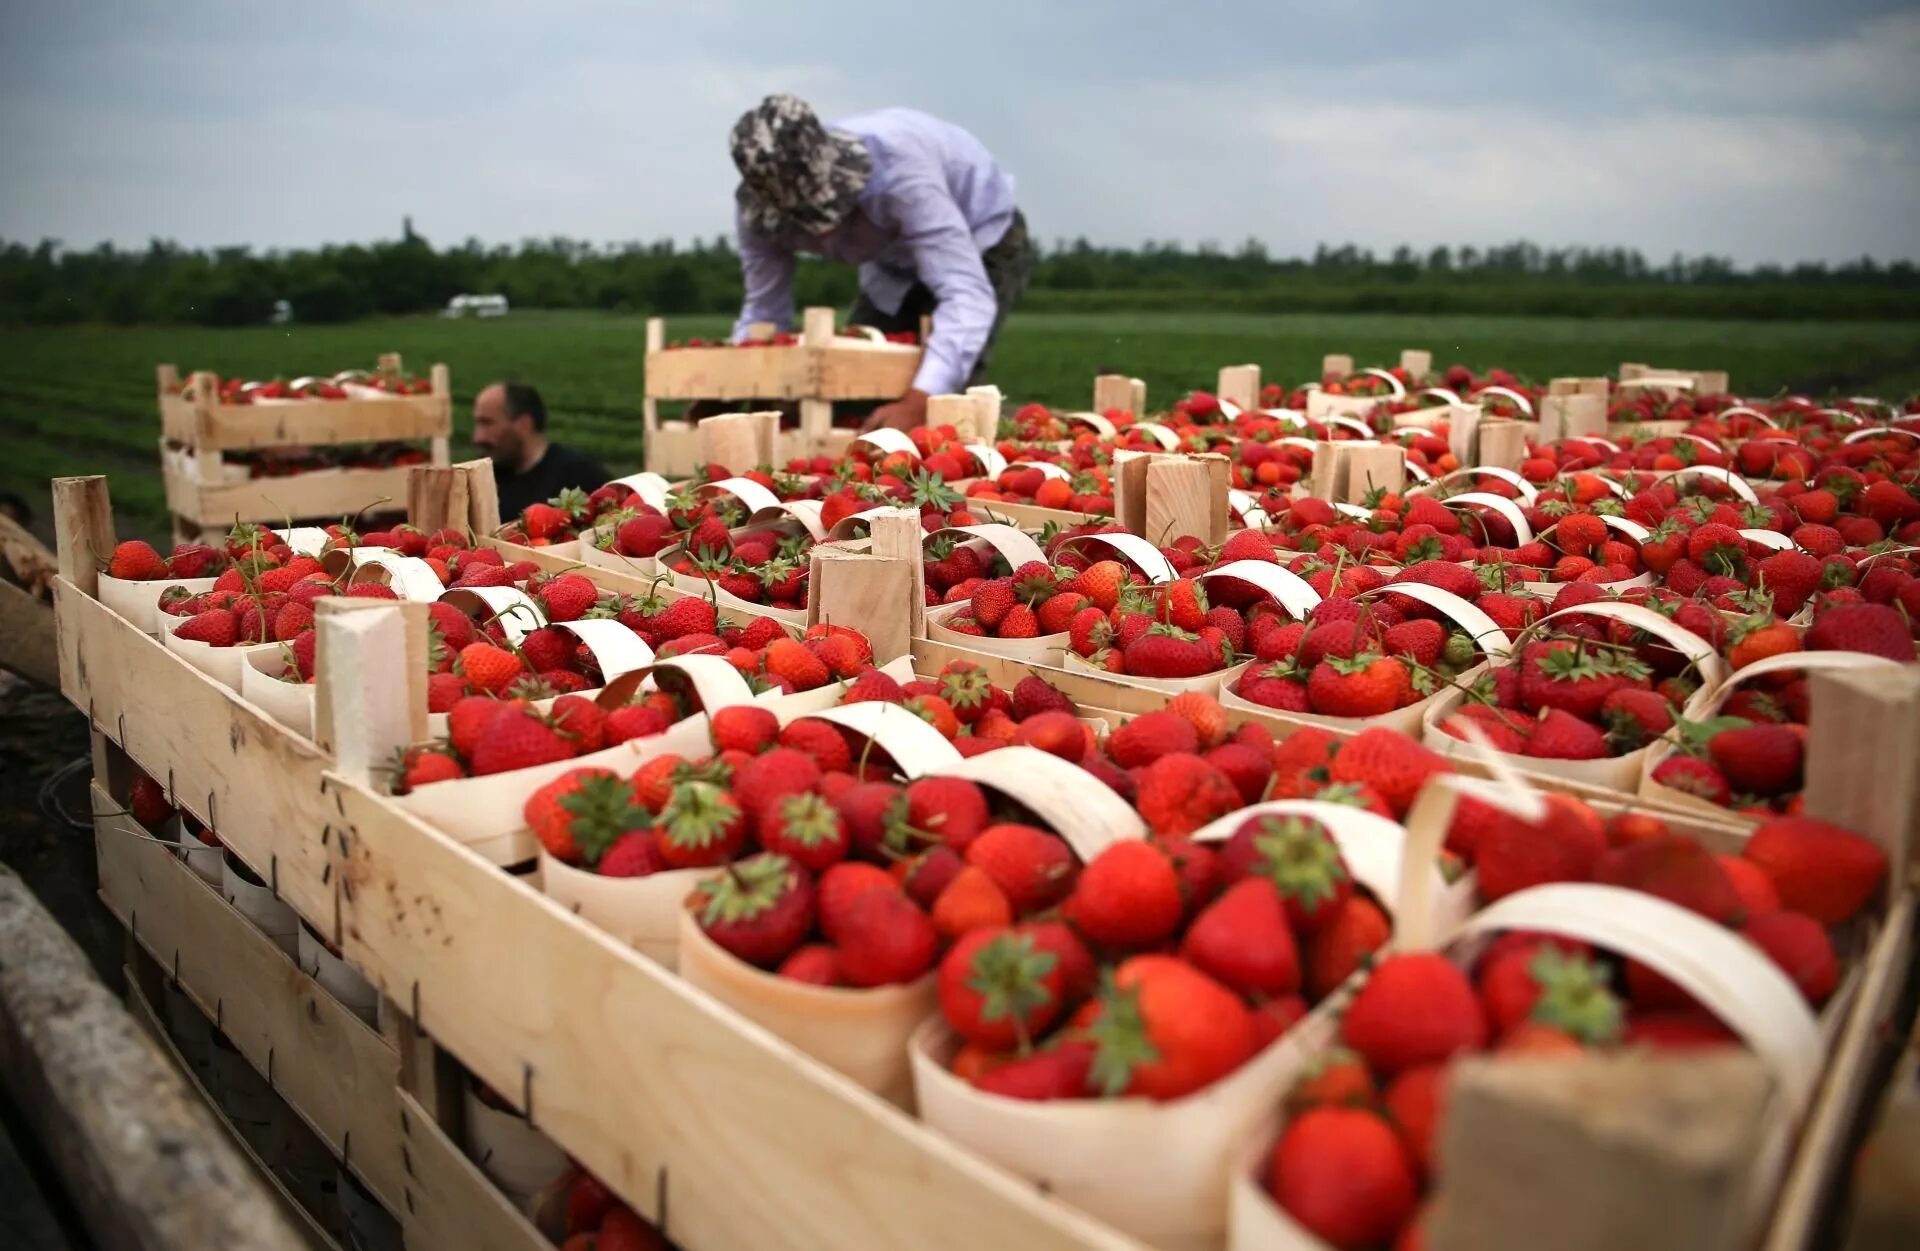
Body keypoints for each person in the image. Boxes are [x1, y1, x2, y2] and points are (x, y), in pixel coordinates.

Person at [728, 94, 1036, 432]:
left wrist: (918, 402)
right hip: (888, 266)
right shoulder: (758, 216)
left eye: (831, 212)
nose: (828, 232)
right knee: (852, 394)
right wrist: (730, 387)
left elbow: (966, 296)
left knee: (942, 410)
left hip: (981, 243)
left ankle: (1021, 426)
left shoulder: (902, 173)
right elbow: (764, 310)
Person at [470, 382, 609, 518]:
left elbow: (607, 535)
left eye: (487, 423)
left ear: (524, 424)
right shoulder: (482, 478)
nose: (478, 437)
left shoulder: (582, 476)